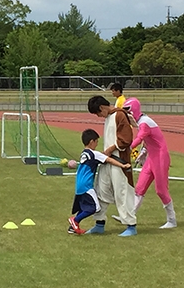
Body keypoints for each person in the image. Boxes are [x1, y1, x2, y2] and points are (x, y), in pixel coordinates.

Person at [123, 97, 177, 229]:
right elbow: (149, 139)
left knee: (161, 190)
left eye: (128, 111)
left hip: (160, 157)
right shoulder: (142, 122)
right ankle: (129, 215)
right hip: (152, 158)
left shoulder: (144, 122)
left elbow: (141, 136)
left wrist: (128, 149)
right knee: (139, 188)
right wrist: (144, 152)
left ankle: (172, 220)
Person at [86, 96, 137, 237]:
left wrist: (111, 149)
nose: (98, 116)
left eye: (98, 113)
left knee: (123, 192)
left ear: (102, 107)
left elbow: (126, 138)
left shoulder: (120, 115)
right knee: (101, 191)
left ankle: (131, 225)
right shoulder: (109, 117)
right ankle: (99, 223)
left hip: (119, 161)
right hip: (107, 161)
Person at [68, 129, 132, 235]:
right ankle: (74, 220)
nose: (97, 144)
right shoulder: (94, 154)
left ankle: (72, 227)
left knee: (85, 207)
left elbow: (99, 156)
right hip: (87, 186)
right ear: (91, 142)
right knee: (95, 207)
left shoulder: (84, 153)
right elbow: (109, 159)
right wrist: (123, 165)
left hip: (79, 185)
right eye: (96, 142)